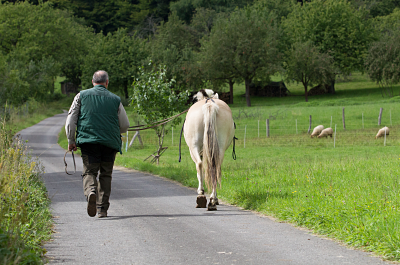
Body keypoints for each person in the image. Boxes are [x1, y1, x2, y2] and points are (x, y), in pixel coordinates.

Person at [65, 70, 130, 218]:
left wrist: (71, 140)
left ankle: (91, 192)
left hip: (89, 142)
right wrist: (113, 130)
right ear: (107, 83)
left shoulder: (81, 96)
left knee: (90, 171)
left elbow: (70, 120)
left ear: (93, 82)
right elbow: (125, 125)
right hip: (109, 143)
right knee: (106, 175)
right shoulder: (115, 99)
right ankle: (102, 209)